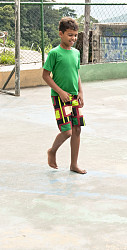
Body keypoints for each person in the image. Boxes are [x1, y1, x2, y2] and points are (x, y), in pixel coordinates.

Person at [42, 17, 86, 174]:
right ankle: (52, 151)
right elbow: (45, 75)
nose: (73, 38)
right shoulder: (54, 53)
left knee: (77, 129)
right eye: (70, 35)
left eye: (75, 35)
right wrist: (60, 92)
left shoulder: (76, 53)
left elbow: (76, 73)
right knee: (67, 131)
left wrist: (80, 91)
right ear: (61, 34)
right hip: (60, 97)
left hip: (74, 97)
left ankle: (74, 164)